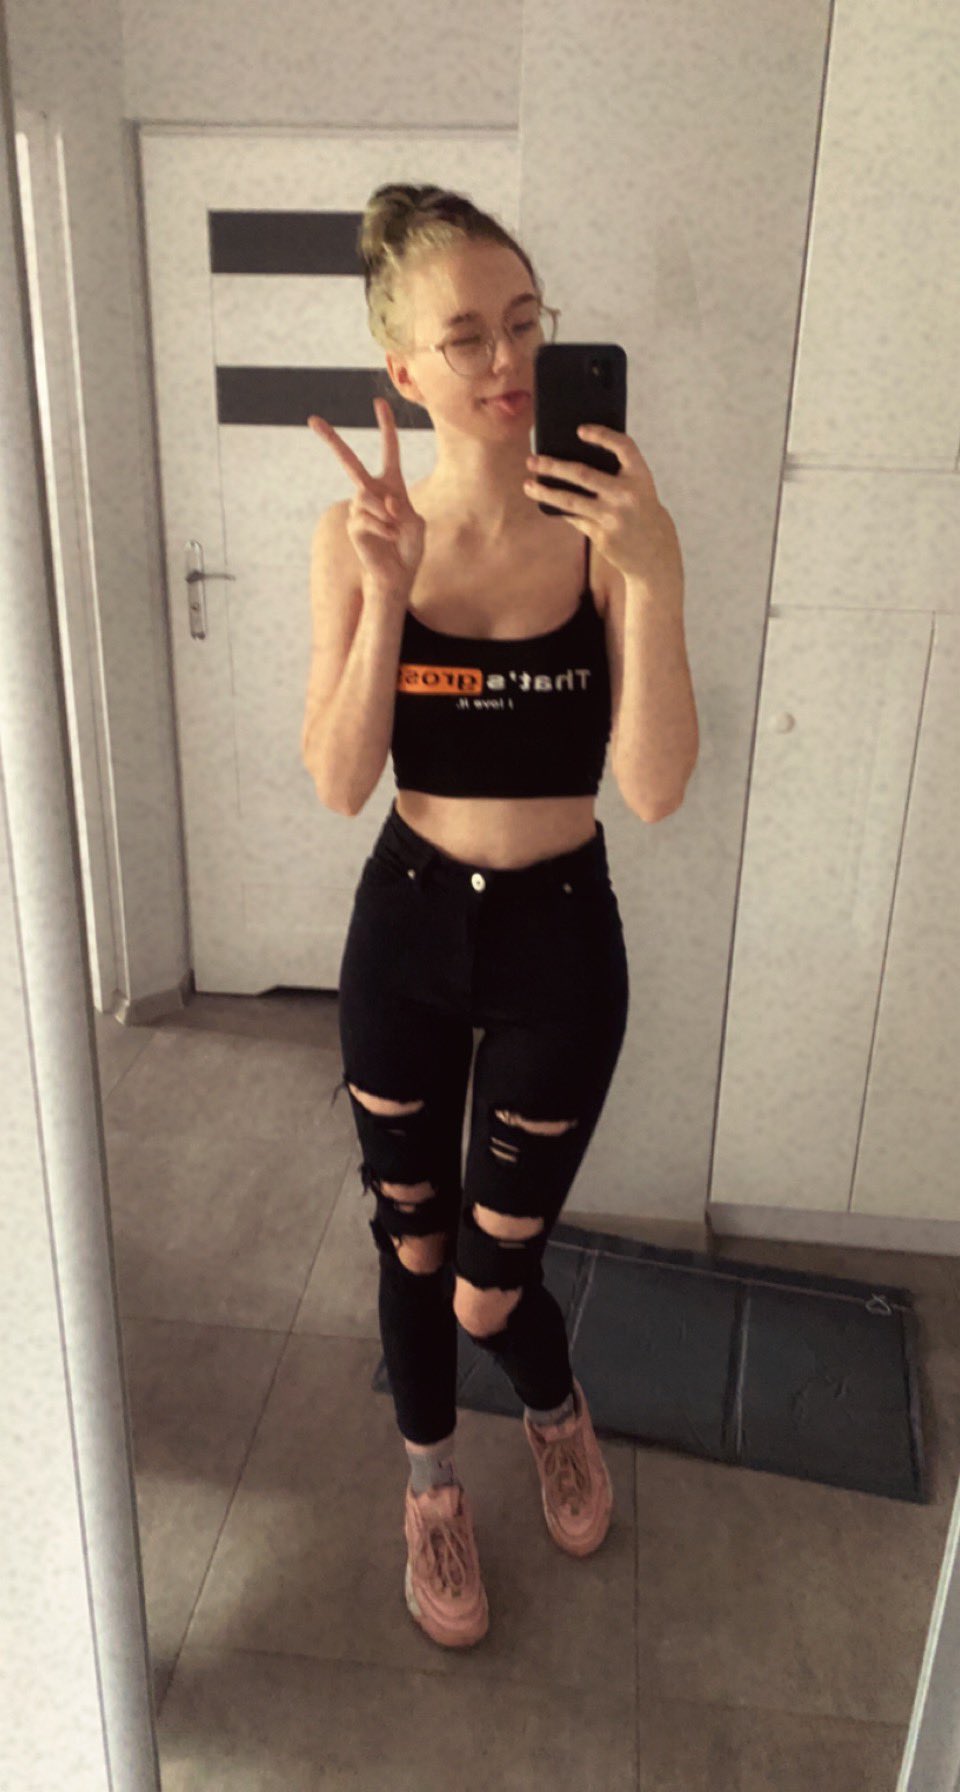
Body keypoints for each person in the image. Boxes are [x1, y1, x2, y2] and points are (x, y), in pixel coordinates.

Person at [304, 183, 631, 1650]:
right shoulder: (357, 535)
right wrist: (387, 592)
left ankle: (552, 1410)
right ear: (405, 371)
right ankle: (431, 1490)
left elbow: (656, 785)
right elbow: (338, 782)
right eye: (465, 338)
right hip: (411, 924)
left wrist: (655, 565)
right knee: (413, 1247)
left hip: (561, 934)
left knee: (492, 1285)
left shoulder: (604, 526)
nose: (507, 362)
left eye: (524, 323)